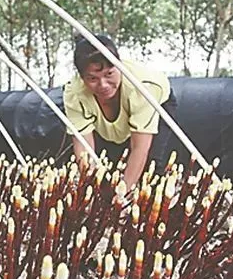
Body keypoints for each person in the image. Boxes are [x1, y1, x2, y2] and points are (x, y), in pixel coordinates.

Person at [63, 34, 177, 190]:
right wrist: (88, 188)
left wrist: (123, 194)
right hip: (111, 127)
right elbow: (84, 150)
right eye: (92, 78)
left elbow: (140, 148)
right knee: (109, 168)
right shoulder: (75, 94)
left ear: (119, 66)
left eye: (109, 74)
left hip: (157, 104)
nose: (103, 85)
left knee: (150, 167)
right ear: (81, 78)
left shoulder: (143, 87)